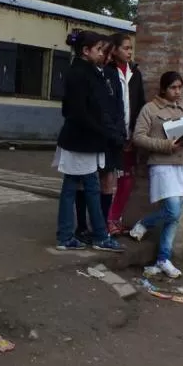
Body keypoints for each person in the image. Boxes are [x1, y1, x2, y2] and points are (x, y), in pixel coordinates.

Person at [54, 30, 126, 253]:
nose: (103, 54)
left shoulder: (91, 72)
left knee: (75, 188)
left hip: (85, 141)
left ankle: (69, 235)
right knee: (88, 188)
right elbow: (77, 112)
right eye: (99, 50)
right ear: (86, 51)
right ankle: (97, 236)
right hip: (81, 142)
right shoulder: (80, 74)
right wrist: (107, 133)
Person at [129, 71, 183, 279]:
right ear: (163, 88)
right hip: (162, 164)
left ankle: (163, 259)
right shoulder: (150, 109)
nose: (177, 92)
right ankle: (144, 222)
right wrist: (166, 145)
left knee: (174, 217)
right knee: (172, 210)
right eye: (173, 88)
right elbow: (138, 137)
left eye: (180, 87)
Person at [74, 39, 126, 238]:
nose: (107, 58)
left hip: (112, 137)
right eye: (105, 53)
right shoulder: (87, 74)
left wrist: (119, 132)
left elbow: (118, 106)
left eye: (111, 55)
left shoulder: (113, 75)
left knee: (108, 181)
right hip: (94, 134)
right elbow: (93, 109)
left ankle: (103, 225)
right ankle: (81, 225)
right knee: (83, 180)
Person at [105, 32, 146, 236]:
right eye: (126, 48)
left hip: (129, 136)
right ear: (114, 50)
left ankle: (115, 218)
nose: (130, 52)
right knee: (108, 180)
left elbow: (139, 103)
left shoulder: (135, 73)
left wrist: (134, 134)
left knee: (127, 179)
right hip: (111, 136)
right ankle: (105, 220)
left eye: (131, 48)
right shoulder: (107, 72)